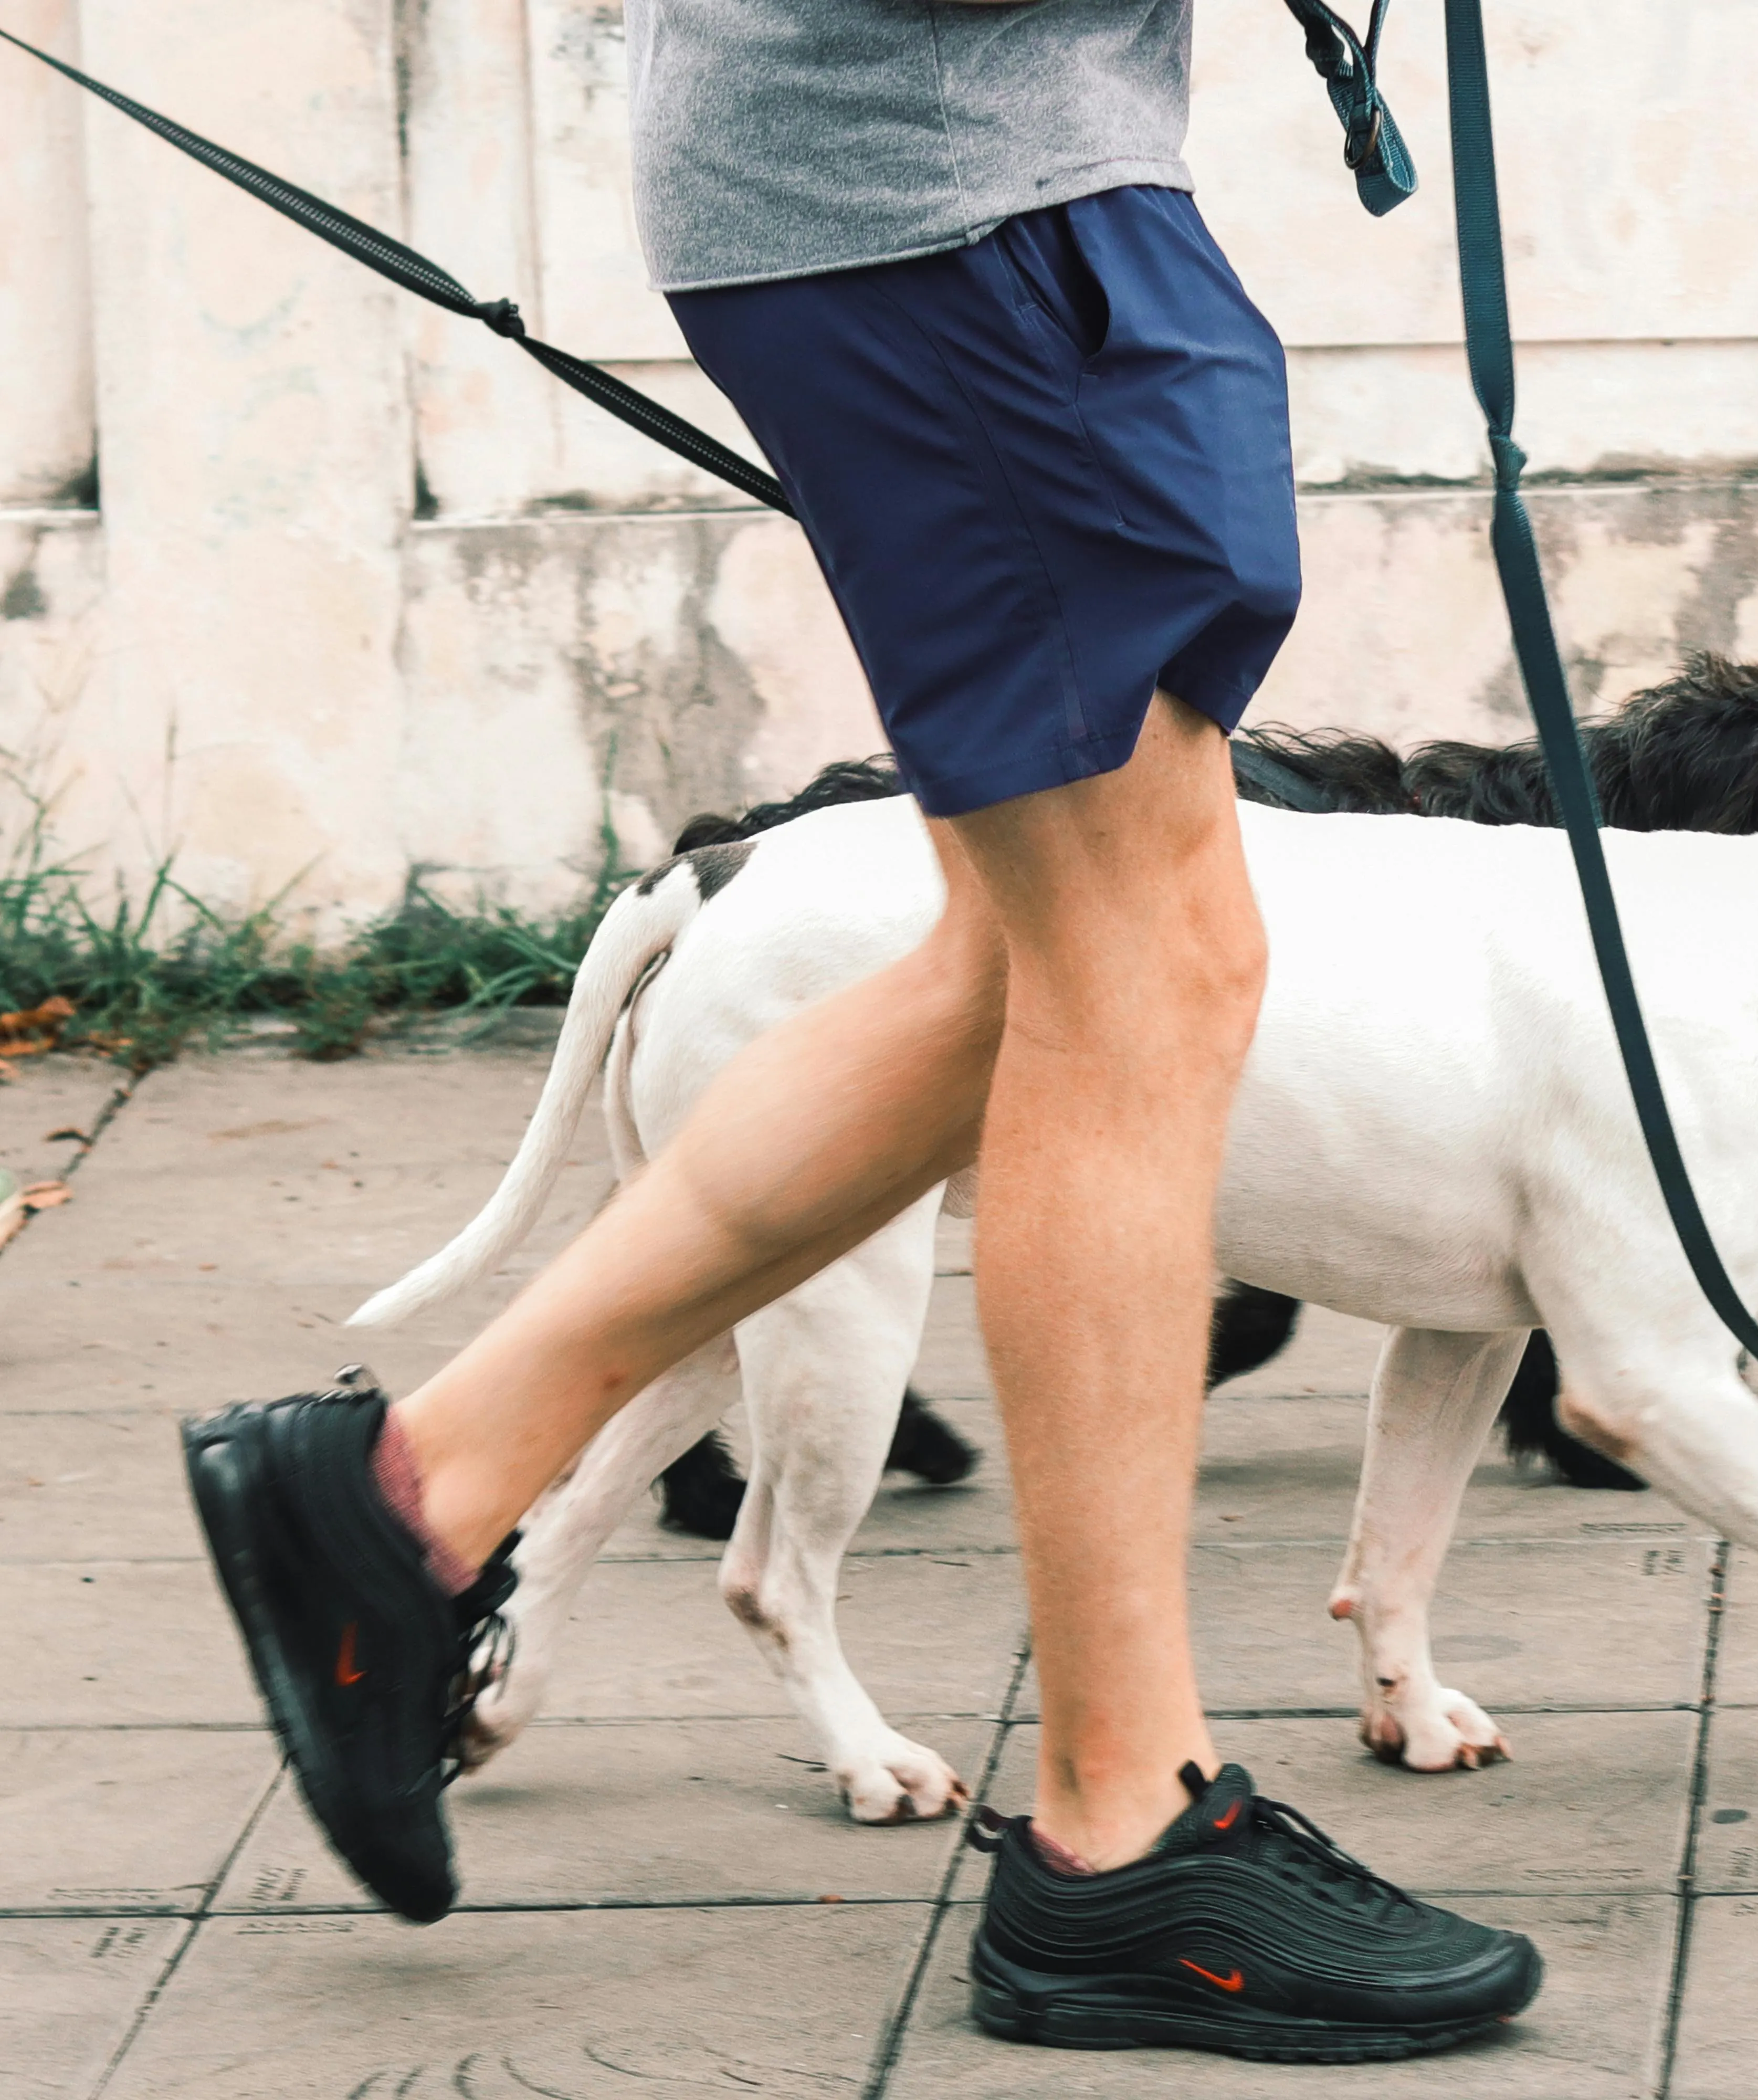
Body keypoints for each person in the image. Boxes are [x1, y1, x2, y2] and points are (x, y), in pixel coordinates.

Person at [178, 0, 1541, 2063]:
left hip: (963, 184)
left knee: (1037, 960)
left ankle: (405, 1491)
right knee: (1136, 967)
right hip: (942, 194)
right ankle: (1121, 1826)